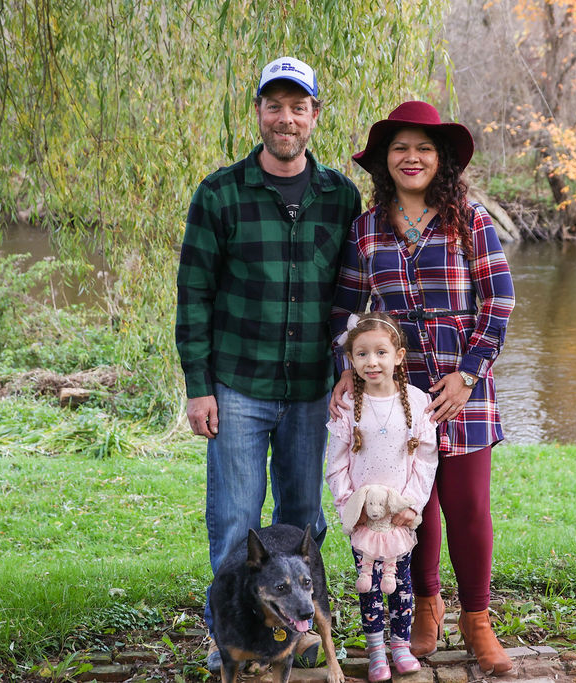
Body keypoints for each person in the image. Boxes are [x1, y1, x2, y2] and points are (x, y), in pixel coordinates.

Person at [176, 56, 361, 670]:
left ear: (314, 115)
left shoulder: (340, 197)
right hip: (237, 385)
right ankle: (226, 633)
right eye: (274, 105)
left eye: (298, 106)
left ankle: (294, 631)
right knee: (234, 524)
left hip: (311, 389)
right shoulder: (220, 193)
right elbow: (195, 296)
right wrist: (199, 388)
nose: (286, 118)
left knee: (303, 525)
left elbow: (351, 293)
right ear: (258, 112)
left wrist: (349, 370)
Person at [329, 101, 515, 675]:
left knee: (467, 507)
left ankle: (478, 622)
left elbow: (499, 299)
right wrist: (346, 364)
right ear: (386, 161)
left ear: (442, 160)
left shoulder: (471, 220)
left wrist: (468, 372)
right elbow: (346, 306)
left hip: (463, 387)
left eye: (424, 149)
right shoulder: (366, 228)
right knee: (416, 503)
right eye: (400, 149)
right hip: (396, 394)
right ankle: (426, 606)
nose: (412, 158)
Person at [325, 312, 438, 682]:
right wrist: (348, 506)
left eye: (380, 353)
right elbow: (336, 463)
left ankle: (401, 646)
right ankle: (376, 651)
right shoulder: (348, 405)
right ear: (350, 360)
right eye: (361, 354)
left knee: (402, 583)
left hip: (400, 515)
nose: (371, 362)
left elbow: (424, 459)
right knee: (368, 583)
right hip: (364, 516)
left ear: (399, 356)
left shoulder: (417, 402)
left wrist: (412, 505)